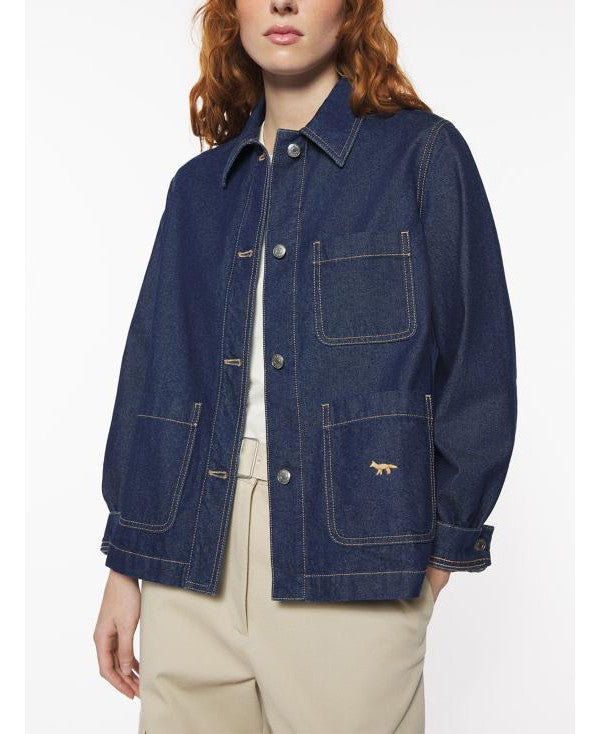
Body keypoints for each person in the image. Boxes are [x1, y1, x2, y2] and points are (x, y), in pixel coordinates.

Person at [93, 1, 517, 732]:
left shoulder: (421, 157)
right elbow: (155, 373)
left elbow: (478, 362)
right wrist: (127, 561)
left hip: (350, 558)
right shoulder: (198, 191)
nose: (283, 3)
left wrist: (441, 550)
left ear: (351, 11)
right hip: (191, 560)